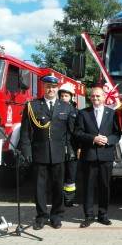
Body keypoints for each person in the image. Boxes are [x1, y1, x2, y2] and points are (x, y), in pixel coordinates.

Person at [19, 75, 76, 230]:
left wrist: (70, 151)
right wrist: (26, 150)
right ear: (44, 88)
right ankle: (41, 216)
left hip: (59, 154)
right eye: (48, 87)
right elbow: (25, 132)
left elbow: (70, 133)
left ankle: (57, 215)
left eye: (53, 87)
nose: (51, 89)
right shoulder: (33, 106)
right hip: (39, 153)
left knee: (58, 186)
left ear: (57, 88)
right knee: (39, 187)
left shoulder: (66, 107)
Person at [74, 86, 121, 227]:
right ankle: (88, 216)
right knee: (88, 187)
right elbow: (77, 133)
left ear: (104, 97)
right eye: (93, 96)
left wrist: (108, 140)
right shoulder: (83, 113)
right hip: (89, 156)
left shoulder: (111, 113)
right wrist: (93, 138)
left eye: (98, 96)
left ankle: (103, 214)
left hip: (106, 156)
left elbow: (117, 134)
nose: (95, 98)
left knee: (104, 186)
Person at [58, 82, 79, 208]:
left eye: (66, 96)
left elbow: (78, 132)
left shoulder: (75, 112)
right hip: (58, 148)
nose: (64, 98)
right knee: (59, 174)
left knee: (71, 176)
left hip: (72, 148)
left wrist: (79, 148)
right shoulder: (54, 110)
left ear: (71, 97)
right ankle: (59, 199)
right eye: (62, 96)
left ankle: (69, 200)